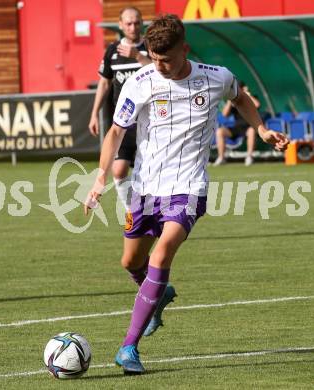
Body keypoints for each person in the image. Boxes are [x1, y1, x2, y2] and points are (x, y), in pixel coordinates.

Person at [84, 14, 289, 375]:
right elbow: (115, 133)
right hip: (146, 187)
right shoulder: (141, 82)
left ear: (185, 49)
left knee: (161, 255)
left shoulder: (215, 77)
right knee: (131, 262)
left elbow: (241, 97)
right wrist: (100, 178)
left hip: (189, 187)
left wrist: (263, 129)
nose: (160, 65)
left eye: (167, 58)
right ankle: (158, 294)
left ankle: (128, 347)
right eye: (154, 57)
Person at [88, 6, 151, 210]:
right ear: (121, 25)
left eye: (137, 23)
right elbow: (105, 83)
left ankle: (154, 212)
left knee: (150, 174)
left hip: (149, 122)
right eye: (129, 23)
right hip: (124, 122)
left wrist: (139, 57)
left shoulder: (150, 46)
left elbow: (160, 73)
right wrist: (94, 114)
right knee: (119, 169)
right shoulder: (112, 50)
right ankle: (132, 213)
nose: (133, 27)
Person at [214, 81, 260, 166]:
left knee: (251, 131)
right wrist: (229, 101)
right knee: (220, 131)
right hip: (237, 127)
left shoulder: (252, 98)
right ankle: (221, 158)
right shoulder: (234, 101)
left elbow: (257, 105)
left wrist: (247, 94)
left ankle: (249, 157)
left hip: (248, 126)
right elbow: (224, 114)